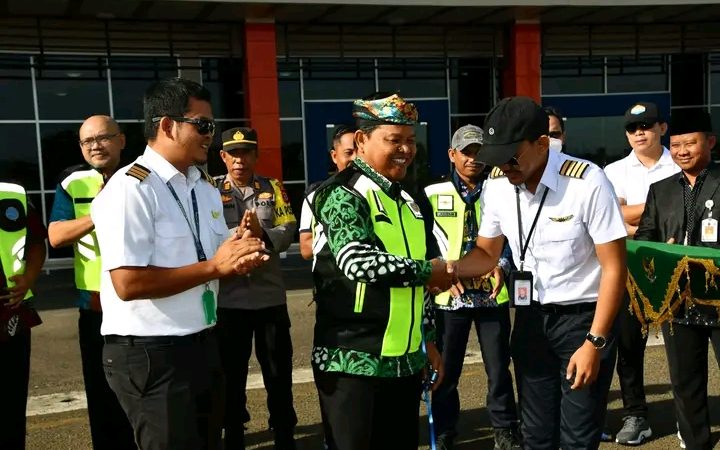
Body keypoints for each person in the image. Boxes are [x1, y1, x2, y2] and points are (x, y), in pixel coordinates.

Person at [91, 77, 269, 450]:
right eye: (202, 125)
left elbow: (211, 257)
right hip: (151, 354)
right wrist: (215, 268)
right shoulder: (130, 189)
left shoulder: (202, 186)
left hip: (202, 343)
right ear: (168, 125)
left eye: (212, 126)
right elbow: (128, 283)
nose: (210, 135)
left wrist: (238, 251)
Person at [449, 96, 627, 449]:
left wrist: (595, 342)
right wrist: (449, 269)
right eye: (496, 157)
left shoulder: (587, 181)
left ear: (543, 143)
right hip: (531, 319)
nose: (504, 166)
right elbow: (487, 253)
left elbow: (614, 267)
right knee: (536, 434)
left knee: (578, 436)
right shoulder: (498, 185)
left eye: (512, 156)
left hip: (583, 320)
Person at [310, 92, 453, 450]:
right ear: (362, 140)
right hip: (351, 361)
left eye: (410, 140)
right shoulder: (343, 194)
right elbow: (356, 260)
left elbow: (421, 283)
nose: (406, 149)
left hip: (403, 362)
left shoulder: (409, 200)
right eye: (394, 140)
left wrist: (427, 340)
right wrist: (427, 272)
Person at [422, 124, 520, 450]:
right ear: (452, 155)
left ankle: (505, 429)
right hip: (450, 296)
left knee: (499, 368)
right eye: (467, 152)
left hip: (491, 295)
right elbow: (424, 241)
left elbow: (512, 236)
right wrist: (441, 274)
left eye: (479, 152)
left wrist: (502, 265)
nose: (473, 159)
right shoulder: (432, 192)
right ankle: (445, 430)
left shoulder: (502, 188)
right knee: (446, 369)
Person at [48, 115, 136, 450]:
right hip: (95, 305)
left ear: (121, 140)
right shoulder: (72, 181)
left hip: (140, 301)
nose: (96, 146)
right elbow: (56, 235)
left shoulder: (143, 175)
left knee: (143, 390)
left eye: (103, 138)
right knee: (101, 394)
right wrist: (98, 213)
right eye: (88, 141)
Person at [635, 109, 720, 450]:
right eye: (676, 145)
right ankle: (695, 441)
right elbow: (644, 238)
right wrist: (659, 251)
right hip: (678, 299)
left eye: (691, 143)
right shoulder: (660, 190)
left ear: (710, 142)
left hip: (718, 294)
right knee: (685, 381)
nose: (682, 151)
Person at [213, 126, 298, 449]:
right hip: (228, 301)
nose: (240, 160)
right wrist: (238, 237)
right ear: (223, 157)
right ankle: (234, 434)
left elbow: (287, 228)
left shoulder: (272, 187)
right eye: (233, 154)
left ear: (256, 155)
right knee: (230, 377)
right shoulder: (208, 190)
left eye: (246, 152)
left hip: (268, 299)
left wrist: (261, 234)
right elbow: (203, 234)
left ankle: (284, 434)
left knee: (278, 374)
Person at [603, 102, 679, 445]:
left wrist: (632, 216)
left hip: (675, 267)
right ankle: (635, 414)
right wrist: (661, 211)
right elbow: (611, 218)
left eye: (646, 126)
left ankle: (688, 416)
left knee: (683, 347)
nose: (639, 133)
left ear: (662, 128)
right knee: (629, 346)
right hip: (631, 268)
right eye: (632, 128)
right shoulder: (614, 171)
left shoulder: (679, 163)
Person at [0, 181, 45, 450]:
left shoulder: (13, 193)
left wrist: (28, 278)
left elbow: (37, 243)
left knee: (11, 408)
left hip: (10, 318)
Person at [299, 124, 356, 261]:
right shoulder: (316, 195)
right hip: (333, 273)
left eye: (360, 153)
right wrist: (349, 241)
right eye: (348, 153)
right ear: (334, 156)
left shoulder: (382, 190)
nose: (355, 159)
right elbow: (306, 248)